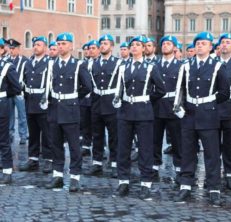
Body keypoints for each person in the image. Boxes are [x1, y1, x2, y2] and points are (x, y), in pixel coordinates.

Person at [173, 32, 230, 206]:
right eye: (197, 43)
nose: (199, 46)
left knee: (212, 154)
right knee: (188, 152)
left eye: (204, 43)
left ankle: (213, 188)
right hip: (189, 114)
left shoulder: (217, 66)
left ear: (210, 47)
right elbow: (181, 88)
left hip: (209, 115)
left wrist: (209, 104)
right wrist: (180, 107)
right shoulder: (186, 65)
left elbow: (224, 92)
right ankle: (186, 185)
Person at [113, 35, 165, 199]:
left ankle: (145, 184)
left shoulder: (151, 67)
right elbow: (120, 89)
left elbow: (161, 90)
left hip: (144, 112)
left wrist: (147, 99)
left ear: (144, 49)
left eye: (138, 45)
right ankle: (123, 182)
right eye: (132, 45)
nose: (134, 47)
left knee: (145, 150)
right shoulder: (123, 67)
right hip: (126, 112)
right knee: (123, 149)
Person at [44, 32, 92, 192]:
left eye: (64, 43)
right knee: (55, 145)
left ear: (71, 46)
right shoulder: (52, 64)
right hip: (54, 109)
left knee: (74, 146)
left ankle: (75, 177)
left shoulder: (79, 65)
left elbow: (87, 87)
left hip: (70, 110)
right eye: (58, 43)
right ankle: (57, 175)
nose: (60, 46)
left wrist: (73, 99)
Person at [86, 34, 121, 178]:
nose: (102, 46)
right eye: (101, 43)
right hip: (97, 103)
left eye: (106, 43)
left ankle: (114, 163)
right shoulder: (92, 63)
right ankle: (97, 163)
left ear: (112, 46)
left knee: (114, 136)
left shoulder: (118, 63)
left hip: (111, 103)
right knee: (97, 135)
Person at [19, 36, 52, 173]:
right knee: (33, 134)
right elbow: (24, 81)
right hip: (30, 102)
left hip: (43, 102)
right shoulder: (28, 63)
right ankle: (33, 159)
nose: (35, 47)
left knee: (47, 133)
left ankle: (49, 160)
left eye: (39, 45)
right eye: (34, 44)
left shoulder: (49, 63)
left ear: (45, 47)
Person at [152, 35, 182, 181]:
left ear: (175, 47)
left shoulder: (181, 65)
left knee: (177, 139)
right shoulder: (154, 64)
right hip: (157, 105)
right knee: (155, 138)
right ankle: (155, 165)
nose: (165, 46)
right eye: (163, 43)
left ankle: (179, 166)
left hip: (172, 105)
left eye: (169, 43)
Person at [217, 33, 231, 190]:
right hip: (214, 109)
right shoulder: (212, 64)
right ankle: (214, 173)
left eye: (228, 42)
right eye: (222, 42)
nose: (225, 45)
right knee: (213, 145)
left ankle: (230, 174)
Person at [0, 38, 22, 183]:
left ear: (2, 50)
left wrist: (5, 95)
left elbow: (17, 88)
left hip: (2, 104)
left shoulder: (7, 67)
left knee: (3, 139)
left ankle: (7, 170)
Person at [7, 38, 29, 145]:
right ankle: (10, 134)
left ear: (18, 49)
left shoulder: (24, 61)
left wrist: (22, 87)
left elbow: (27, 76)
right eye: (10, 48)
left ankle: (23, 135)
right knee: (9, 115)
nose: (11, 50)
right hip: (9, 92)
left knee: (22, 115)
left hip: (19, 92)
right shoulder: (6, 60)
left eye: (13, 48)